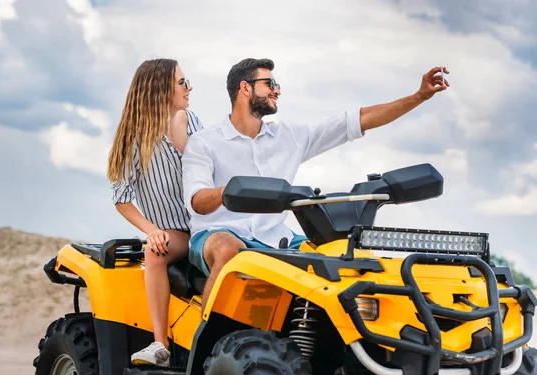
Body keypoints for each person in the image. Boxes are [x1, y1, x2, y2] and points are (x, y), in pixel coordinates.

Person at [182, 58, 449, 309]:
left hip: (275, 236)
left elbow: (359, 119)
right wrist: (230, 191)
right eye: (270, 84)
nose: (277, 91)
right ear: (244, 88)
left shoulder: (288, 136)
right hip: (217, 233)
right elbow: (197, 201)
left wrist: (419, 96)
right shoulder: (205, 141)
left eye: (277, 85)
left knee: (343, 254)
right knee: (229, 248)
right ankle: (208, 344)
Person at [107, 58, 203, 366]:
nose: (189, 88)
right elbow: (121, 198)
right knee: (154, 252)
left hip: (211, 223)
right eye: (182, 83)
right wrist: (152, 231)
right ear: (161, 89)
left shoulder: (192, 121)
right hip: (178, 232)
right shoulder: (134, 138)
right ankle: (160, 343)